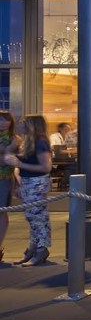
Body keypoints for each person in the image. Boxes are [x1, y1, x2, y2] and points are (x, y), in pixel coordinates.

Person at [4, 115, 53, 265]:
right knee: (32, 216)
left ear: (32, 126)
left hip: (36, 182)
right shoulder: (29, 142)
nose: (20, 125)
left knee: (38, 217)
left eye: (24, 123)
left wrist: (19, 164)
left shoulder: (40, 143)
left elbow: (46, 167)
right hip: (28, 182)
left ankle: (40, 249)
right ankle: (34, 248)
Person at [0, 110, 21, 263]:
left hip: (5, 179)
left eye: (6, 119)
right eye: (0, 119)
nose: (3, 122)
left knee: (2, 212)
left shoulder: (15, 138)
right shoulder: (14, 140)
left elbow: (10, 160)